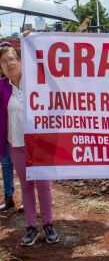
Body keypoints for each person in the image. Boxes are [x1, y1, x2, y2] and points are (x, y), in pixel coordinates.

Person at [0, 44, 59, 246]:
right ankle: (31, 227)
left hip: (40, 143)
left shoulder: (36, 81)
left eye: (11, 59)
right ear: (1, 68)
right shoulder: (2, 87)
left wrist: (32, 42)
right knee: (26, 186)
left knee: (44, 186)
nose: (9, 64)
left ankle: (48, 225)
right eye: (3, 61)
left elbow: (54, 78)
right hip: (16, 144)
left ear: (20, 60)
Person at [0, 42, 16, 211]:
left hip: (21, 130)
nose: (8, 63)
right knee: (6, 164)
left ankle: (27, 199)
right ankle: (8, 197)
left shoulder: (22, 81)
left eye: (10, 59)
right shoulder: (1, 83)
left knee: (26, 166)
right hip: (4, 130)